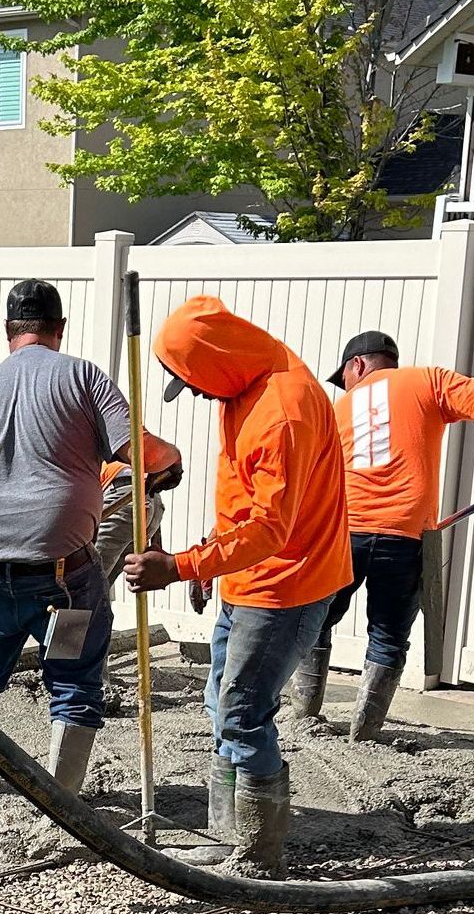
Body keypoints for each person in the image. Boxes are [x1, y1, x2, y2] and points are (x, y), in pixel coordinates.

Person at [125, 295, 352, 877]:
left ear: (218, 364)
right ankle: (226, 833)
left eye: (194, 383)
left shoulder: (284, 410)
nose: (196, 395)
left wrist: (182, 565)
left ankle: (257, 853)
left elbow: (271, 529)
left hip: (288, 583)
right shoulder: (247, 385)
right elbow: (245, 501)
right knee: (220, 702)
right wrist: (211, 560)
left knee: (244, 711)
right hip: (249, 575)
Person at [0, 279, 182, 792]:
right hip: (62, 579)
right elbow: (138, 451)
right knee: (73, 679)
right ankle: (61, 801)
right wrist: (172, 460)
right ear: (60, 329)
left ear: (8, 332)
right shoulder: (82, 378)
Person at [290, 330, 474, 740]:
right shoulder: (428, 382)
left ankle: (304, 714)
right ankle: (365, 732)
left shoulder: (337, 409)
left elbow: (308, 474)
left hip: (343, 535)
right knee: (389, 635)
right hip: (405, 536)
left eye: (345, 376)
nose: (348, 386)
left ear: (356, 365)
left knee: (316, 620)